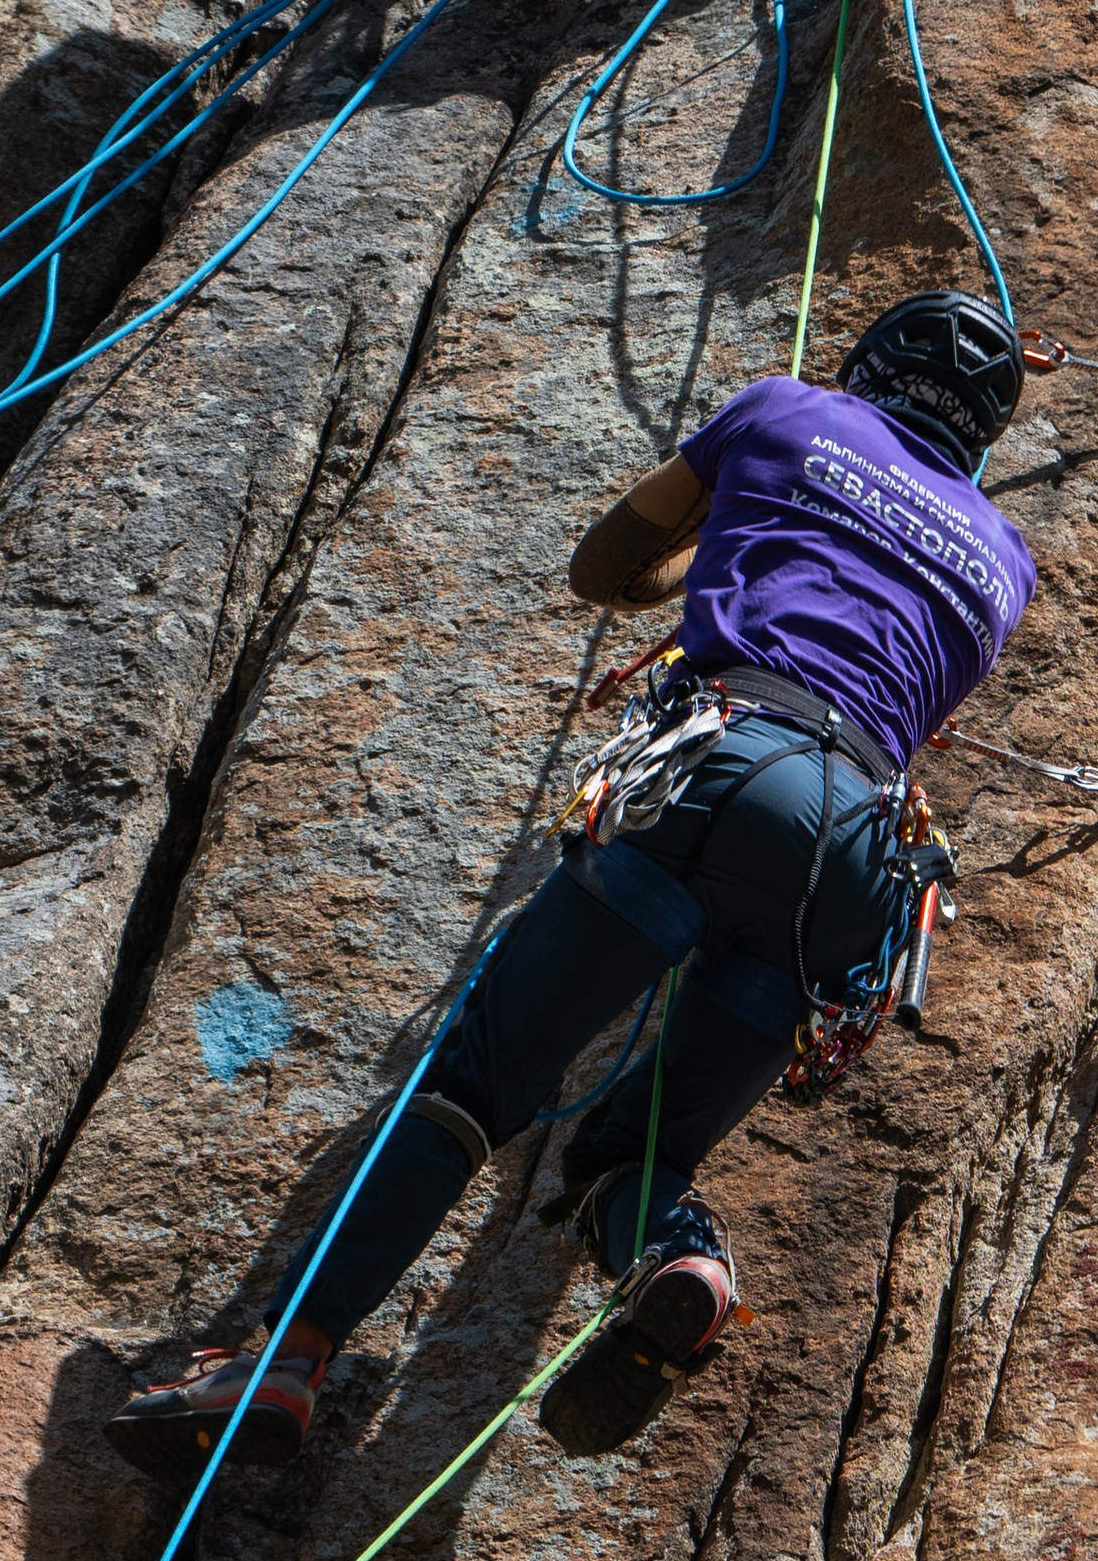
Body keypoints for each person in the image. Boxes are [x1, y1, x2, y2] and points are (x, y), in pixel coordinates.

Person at [108, 289, 1037, 1476]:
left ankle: (285, 1360)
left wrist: (708, 568)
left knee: (477, 1083)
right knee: (635, 1155)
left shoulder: (787, 413)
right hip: (860, 860)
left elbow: (603, 569)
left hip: (726, 768)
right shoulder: (1005, 560)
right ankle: (684, 1260)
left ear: (869, 364)